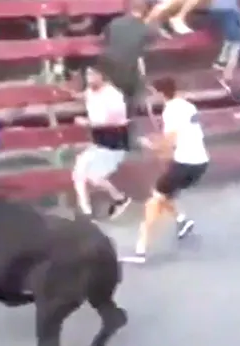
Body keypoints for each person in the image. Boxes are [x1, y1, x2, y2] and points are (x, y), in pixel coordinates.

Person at [122, 77, 208, 264]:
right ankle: (182, 221)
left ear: (160, 93)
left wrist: (149, 145)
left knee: (153, 202)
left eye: (153, 93)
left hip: (185, 163)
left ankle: (140, 251)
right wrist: (159, 141)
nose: (153, 97)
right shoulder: (188, 106)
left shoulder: (171, 110)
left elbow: (169, 142)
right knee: (164, 194)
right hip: (200, 163)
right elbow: (183, 135)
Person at [69, 67, 132, 220]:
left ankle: (88, 211)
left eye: (92, 75)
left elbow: (116, 122)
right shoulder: (90, 91)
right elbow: (84, 96)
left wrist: (87, 123)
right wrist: (72, 93)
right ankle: (112, 201)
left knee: (85, 174)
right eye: (88, 74)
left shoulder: (113, 96)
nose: (89, 78)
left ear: (102, 76)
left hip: (114, 144)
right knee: (85, 174)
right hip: (100, 143)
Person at [97, 0, 158, 117]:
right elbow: (151, 43)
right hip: (129, 72)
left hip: (108, 70)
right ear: (145, 10)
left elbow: (102, 39)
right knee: (135, 91)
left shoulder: (114, 23)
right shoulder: (145, 28)